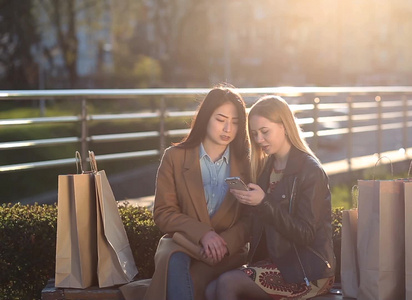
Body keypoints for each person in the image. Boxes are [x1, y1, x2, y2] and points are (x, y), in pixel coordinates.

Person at [120, 84, 250, 300]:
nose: (228, 128)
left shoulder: (247, 163)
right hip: (184, 242)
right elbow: (163, 212)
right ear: (205, 117)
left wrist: (224, 242)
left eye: (235, 122)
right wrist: (203, 234)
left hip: (228, 251)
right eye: (220, 119)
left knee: (192, 278)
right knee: (173, 260)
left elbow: (251, 218)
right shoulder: (175, 157)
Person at [206, 95, 336, 300]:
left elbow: (305, 234)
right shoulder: (266, 168)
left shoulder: (310, 170)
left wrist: (264, 202)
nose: (259, 140)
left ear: (284, 126)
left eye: (265, 132)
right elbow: (254, 224)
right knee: (211, 288)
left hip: (308, 270)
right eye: (255, 134)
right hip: (275, 263)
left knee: (227, 284)